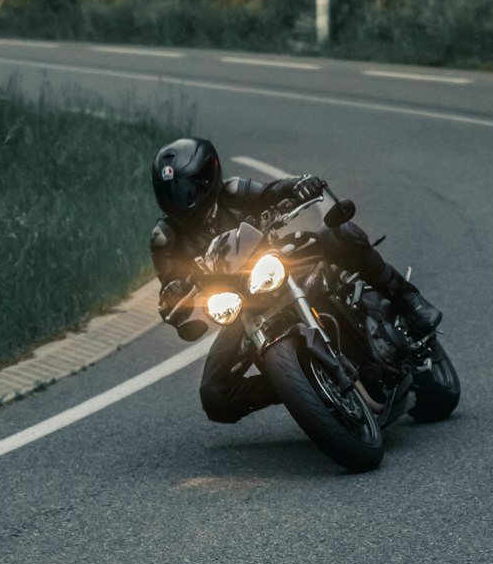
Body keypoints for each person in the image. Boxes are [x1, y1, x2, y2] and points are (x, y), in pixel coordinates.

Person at [150, 136, 442, 425]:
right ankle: (300, 384)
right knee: (214, 395)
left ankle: (408, 299)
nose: (180, 198)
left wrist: (298, 185)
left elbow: (271, 191)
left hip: (275, 265)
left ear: (207, 178)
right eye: (171, 192)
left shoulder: (233, 191)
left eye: (187, 188)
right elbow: (170, 288)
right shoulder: (165, 237)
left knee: (340, 235)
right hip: (242, 308)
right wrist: (175, 295)